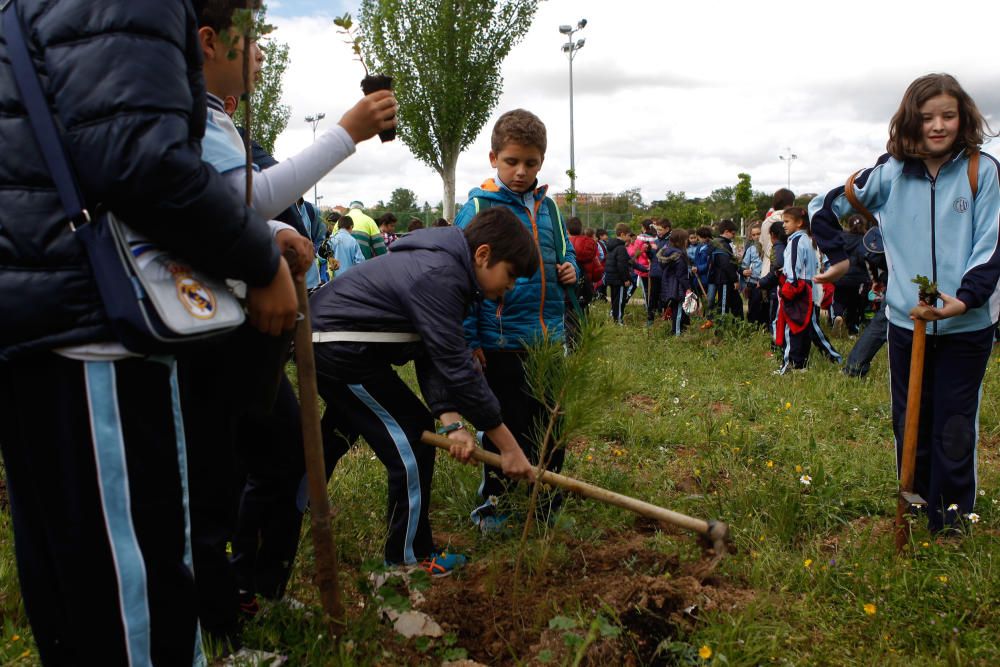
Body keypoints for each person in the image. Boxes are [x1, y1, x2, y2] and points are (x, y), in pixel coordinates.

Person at [0, 1, 300, 663]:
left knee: (75, 590)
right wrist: (259, 257)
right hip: (92, 327)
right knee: (136, 593)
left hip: (40, 313)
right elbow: (140, 160)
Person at [810, 73, 1000, 532]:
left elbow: (992, 244)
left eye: (948, 116)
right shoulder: (891, 173)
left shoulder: (983, 170)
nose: (938, 126)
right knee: (910, 421)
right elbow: (824, 205)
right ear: (910, 120)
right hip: (905, 323)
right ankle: (913, 509)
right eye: (927, 116)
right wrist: (837, 255)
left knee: (954, 425)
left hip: (966, 325)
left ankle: (950, 521)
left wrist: (965, 299)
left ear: (963, 117)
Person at [310, 209, 538, 572]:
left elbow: (430, 350)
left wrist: (451, 423)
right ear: (483, 255)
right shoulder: (441, 274)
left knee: (346, 425)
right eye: (509, 277)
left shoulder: (444, 264)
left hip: (339, 343)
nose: (507, 290)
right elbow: (456, 366)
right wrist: (509, 448)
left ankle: (294, 497)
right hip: (340, 346)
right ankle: (407, 561)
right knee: (413, 437)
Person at [454, 108, 578, 533]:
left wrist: (570, 268)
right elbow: (463, 277)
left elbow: (566, 252)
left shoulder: (550, 209)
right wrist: (472, 341)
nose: (521, 171)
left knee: (551, 424)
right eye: (512, 161)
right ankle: (498, 508)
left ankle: (545, 506)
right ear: (493, 158)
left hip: (547, 337)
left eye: (531, 162)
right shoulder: (479, 206)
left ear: (541, 162)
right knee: (506, 427)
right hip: (501, 341)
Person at [774, 207, 842, 373]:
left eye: (787, 221)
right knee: (809, 326)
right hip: (809, 288)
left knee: (793, 326)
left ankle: (789, 366)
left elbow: (794, 267)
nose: (783, 225)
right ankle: (830, 357)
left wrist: (789, 287)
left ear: (799, 223)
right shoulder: (808, 240)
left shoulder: (796, 241)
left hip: (798, 289)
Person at [830, 215, 871, 336]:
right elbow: (865, 260)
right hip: (857, 278)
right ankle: (852, 330)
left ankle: (838, 316)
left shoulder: (841, 237)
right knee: (854, 303)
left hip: (840, 274)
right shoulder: (864, 240)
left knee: (838, 299)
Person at [656, 229, 693, 336]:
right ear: (680, 241)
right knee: (679, 310)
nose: (687, 242)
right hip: (678, 286)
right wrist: (688, 288)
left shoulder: (668, 252)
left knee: (676, 309)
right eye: (686, 240)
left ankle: (679, 330)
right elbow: (681, 275)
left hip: (670, 284)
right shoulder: (679, 255)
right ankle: (676, 333)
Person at [708, 220, 743, 318]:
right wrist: (735, 279)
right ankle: (720, 330)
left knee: (737, 303)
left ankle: (738, 326)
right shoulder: (721, 244)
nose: (734, 236)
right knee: (723, 307)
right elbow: (726, 264)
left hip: (726, 279)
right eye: (733, 233)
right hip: (723, 279)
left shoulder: (721, 243)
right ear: (726, 231)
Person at [760, 188, 795, 276]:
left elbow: (762, 244)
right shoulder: (791, 220)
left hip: (766, 270)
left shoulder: (766, 222)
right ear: (791, 203)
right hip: (783, 273)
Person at [604, 223, 633, 325]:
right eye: (628, 235)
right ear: (622, 234)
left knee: (615, 300)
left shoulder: (612, 246)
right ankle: (618, 321)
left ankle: (614, 316)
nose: (629, 238)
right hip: (618, 279)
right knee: (620, 301)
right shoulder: (621, 248)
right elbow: (622, 266)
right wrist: (625, 279)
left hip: (611, 278)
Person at [568, 216, 599, 309]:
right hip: (586, 287)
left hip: (569, 288)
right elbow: (598, 270)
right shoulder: (589, 244)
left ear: (567, 230)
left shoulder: (565, 244)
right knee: (584, 313)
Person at [645, 220, 672, 325]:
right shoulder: (655, 241)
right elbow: (652, 257)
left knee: (665, 296)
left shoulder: (670, 241)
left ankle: (667, 317)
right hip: (655, 272)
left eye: (660, 230)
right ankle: (650, 318)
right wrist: (648, 251)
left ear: (667, 229)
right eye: (658, 230)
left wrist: (658, 249)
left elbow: (669, 255)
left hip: (666, 274)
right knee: (653, 297)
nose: (658, 232)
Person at [741, 223, 768, 327]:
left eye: (759, 234)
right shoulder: (751, 249)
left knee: (765, 307)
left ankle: (765, 327)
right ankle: (753, 327)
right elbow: (744, 264)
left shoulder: (769, 248)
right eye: (754, 235)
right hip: (753, 282)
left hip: (766, 281)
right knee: (754, 306)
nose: (757, 237)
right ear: (751, 236)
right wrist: (745, 271)